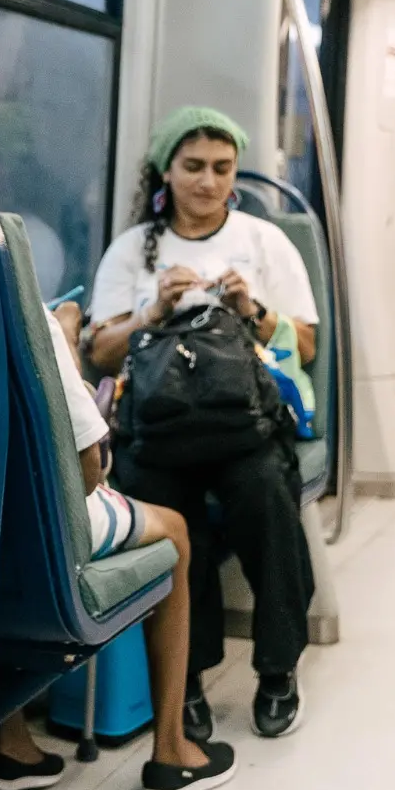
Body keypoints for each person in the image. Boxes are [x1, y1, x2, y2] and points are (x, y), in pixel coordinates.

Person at [0, 91, 235, 790]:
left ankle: (12, 741)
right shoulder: (6, 292)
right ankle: (173, 751)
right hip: (18, 548)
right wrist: (62, 343)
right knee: (179, 533)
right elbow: (87, 470)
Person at [87, 107, 318, 742]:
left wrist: (254, 309)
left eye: (222, 168)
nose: (208, 182)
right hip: (158, 426)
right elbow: (101, 351)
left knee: (267, 496)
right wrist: (153, 310)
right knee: (161, 508)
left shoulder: (264, 242)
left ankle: (277, 667)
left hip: (242, 419)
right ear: (168, 170)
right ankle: (184, 676)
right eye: (193, 167)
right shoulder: (135, 249)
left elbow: (309, 344)